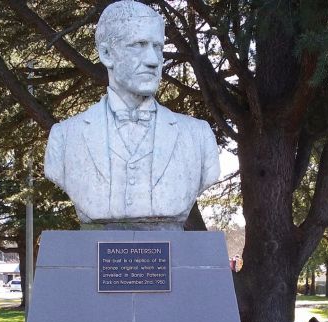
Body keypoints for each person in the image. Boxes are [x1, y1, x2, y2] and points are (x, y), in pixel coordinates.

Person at [44, 0, 220, 230]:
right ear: (107, 54)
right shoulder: (65, 137)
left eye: (157, 47)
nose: (153, 60)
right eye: (138, 45)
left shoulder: (198, 136)